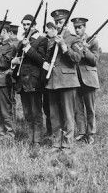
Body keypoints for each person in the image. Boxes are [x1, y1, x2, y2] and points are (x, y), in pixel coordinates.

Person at [43, 10, 83, 149]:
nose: (58, 25)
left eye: (61, 22)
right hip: (53, 81)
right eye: (56, 23)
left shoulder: (73, 38)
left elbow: (77, 58)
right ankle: (56, 142)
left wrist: (65, 47)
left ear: (66, 23)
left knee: (68, 115)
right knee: (54, 115)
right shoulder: (52, 39)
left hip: (67, 82)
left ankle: (67, 144)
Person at [11, 14, 47, 146]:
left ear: (34, 26)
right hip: (22, 82)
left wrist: (28, 48)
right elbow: (17, 59)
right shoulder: (21, 41)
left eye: (28, 24)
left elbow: (41, 60)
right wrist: (13, 62)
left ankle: (37, 140)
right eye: (24, 25)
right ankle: (29, 138)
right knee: (27, 112)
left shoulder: (42, 40)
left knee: (36, 112)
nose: (26, 27)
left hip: (34, 81)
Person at [71, 17, 100, 144]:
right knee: (78, 108)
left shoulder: (93, 41)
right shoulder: (73, 41)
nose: (77, 30)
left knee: (90, 108)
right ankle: (82, 132)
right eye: (75, 27)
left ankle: (91, 133)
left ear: (84, 27)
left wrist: (85, 49)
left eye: (80, 27)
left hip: (88, 79)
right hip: (75, 79)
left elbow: (94, 60)